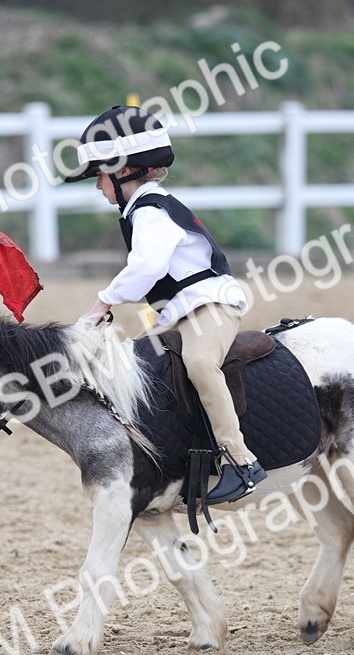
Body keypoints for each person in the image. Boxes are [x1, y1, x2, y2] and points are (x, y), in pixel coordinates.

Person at [65, 105, 266, 504]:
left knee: (199, 365)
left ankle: (240, 461)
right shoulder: (141, 208)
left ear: (123, 172)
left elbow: (147, 266)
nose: (97, 188)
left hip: (211, 305)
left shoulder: (150, 211)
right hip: (180, 312)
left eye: (99, 177)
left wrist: (102, 302)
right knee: (142, 364)